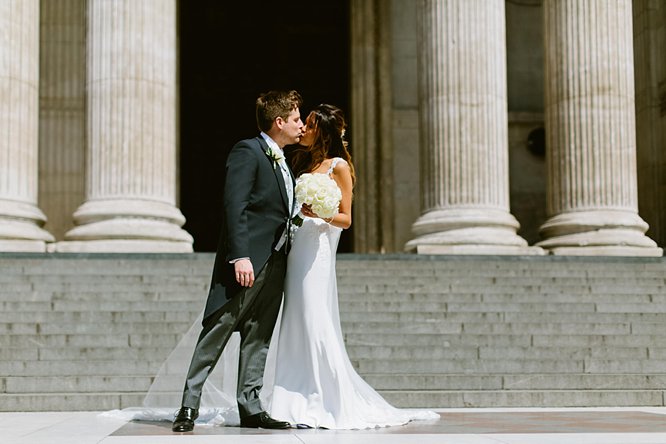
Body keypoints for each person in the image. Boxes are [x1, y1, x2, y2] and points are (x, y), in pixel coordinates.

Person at [267, 104, 438, 428]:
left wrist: (320, 215)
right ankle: (292, 394)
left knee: (314, 317)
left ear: (324, 131)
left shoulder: (339, 166)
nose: (303, 128)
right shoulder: (304, 162)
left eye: (310, 124)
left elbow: (346, 218)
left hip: (318, 251)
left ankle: (325, 397)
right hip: (298, 248)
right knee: (295, 318)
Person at [171, 90, 304, 432]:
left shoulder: (284, 161)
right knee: (218, 329)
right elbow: (235, 206)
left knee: (260, 335)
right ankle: (188, 406)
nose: (301, 125)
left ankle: (251, 405)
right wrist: (240, 256)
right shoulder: (249, 151)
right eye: (296, 119)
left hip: (278, 263)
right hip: (249, 261)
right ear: (279, 123)